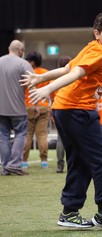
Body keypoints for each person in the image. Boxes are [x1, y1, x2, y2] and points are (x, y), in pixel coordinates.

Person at [20, 12, 102, 228]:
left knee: (80, 162)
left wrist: (41, 77)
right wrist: (48, 87)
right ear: (97, 33)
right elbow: (75, 72)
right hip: (77, 111)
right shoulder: (99, 53)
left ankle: (69, 213)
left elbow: (67, 68)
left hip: (65, 110)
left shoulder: (92, 47)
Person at [0, 40, 32, 176]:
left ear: (9, 48)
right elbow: (32, 84)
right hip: (18, 108)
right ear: (21, 51)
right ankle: (14, 165)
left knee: (3, 137)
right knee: (20, 134)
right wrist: (35, 104)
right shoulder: (24, 64)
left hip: (1, 108)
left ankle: (5, 167)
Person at [22, 52, 51, 169]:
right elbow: (52, 92)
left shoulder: (26, 74)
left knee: (28, 134)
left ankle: (24, 161)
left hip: (29, 107)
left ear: (32, 62)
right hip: (44, 107)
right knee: (42, 134)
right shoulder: (47, 73)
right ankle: (44, 161)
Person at [53, 55, 72, 173]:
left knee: (60, 139)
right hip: (71, 109)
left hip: (58, 108)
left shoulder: (55, 78)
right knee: (73, 139)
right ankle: (72, 165)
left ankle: (60, 165)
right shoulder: (73, 77)